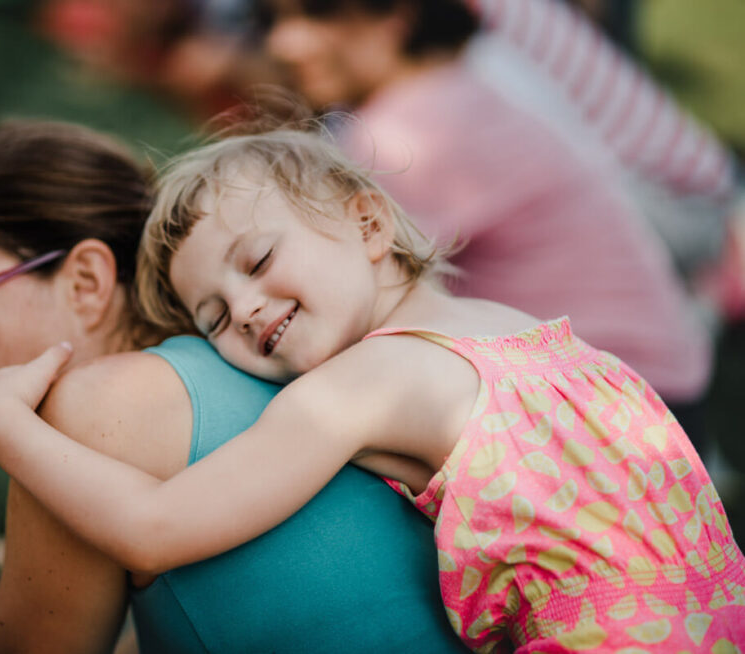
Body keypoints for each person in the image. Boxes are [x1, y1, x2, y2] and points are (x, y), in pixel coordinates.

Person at [0, 128, 745, 652]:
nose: (243, 310)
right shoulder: (528, 331)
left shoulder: (360, 386)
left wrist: (12, 427)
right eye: (211, 318)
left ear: (370, 223)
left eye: (257, 260)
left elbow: (152, 529)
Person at [0, 119, 464, 652]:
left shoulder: (96, 416)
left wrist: (7, 427)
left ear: (87, 281)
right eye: (214, 316)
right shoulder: (358, 356)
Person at [258, 0, 718, 452]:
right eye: (271, 19)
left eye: (318, 12)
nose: (283, 43)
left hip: (616, 408)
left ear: (396, 17)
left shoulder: (409, 133)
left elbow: (336, 304)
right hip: (646, 382)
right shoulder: (454, 89)